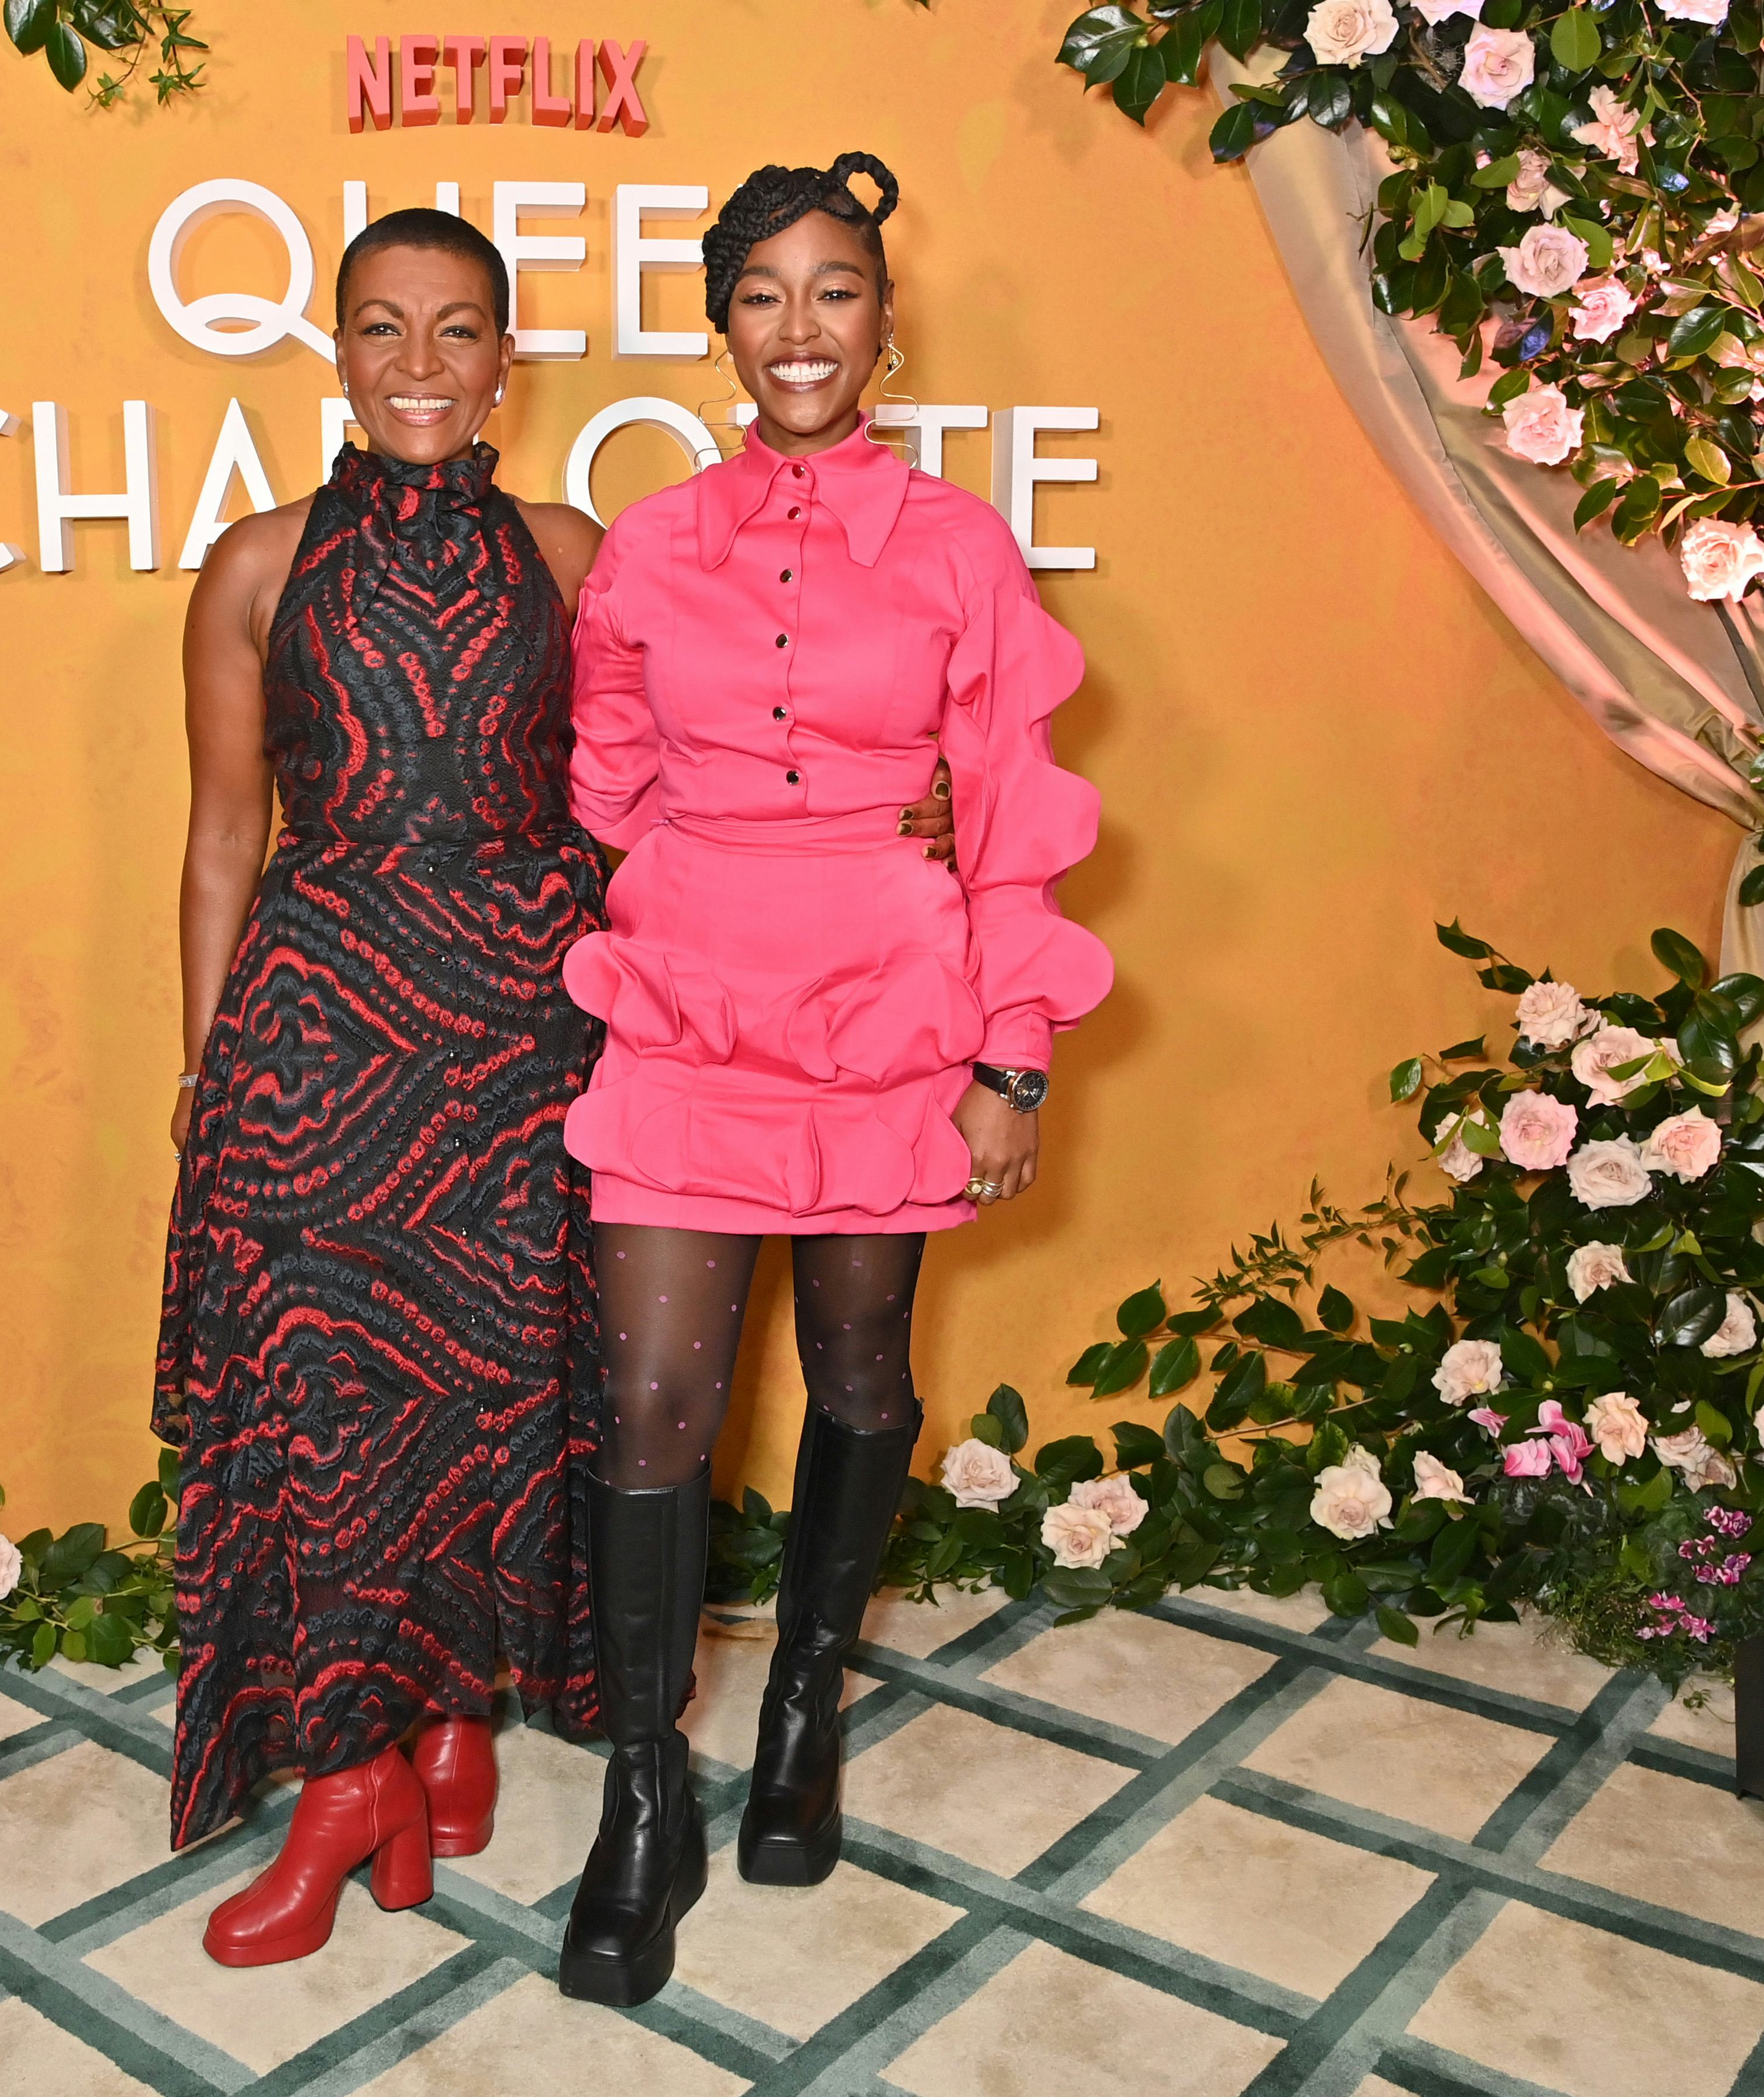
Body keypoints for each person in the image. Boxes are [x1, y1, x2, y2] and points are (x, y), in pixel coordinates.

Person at [554, 154, 1112, 2007]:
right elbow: (610, 772)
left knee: (862, 1366)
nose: (802, 326)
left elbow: (1015, 812)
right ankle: (648, 1798)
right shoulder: (650, 541)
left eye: (838, 289)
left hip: (895, 991)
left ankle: (805, 1699)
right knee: (650, 1396)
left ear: (888, 317)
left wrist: (1009, 1051)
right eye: (766, 293)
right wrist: (705, 871)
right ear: (722, 323)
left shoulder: (960, 546)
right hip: (696, 992)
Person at [155, 209, 610, 1967]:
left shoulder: (574, 551)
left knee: (492, 1400)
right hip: (319, 1038)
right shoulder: (259, 564)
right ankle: (351, 1788)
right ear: (333, 349)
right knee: (330, 1407)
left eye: (457, 331)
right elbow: (217, 840)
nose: (419, 366)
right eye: (382, 330)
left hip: (517, 1040)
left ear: (510, 357)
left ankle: (451, 1721)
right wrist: (210, 1080)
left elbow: (647, 800)